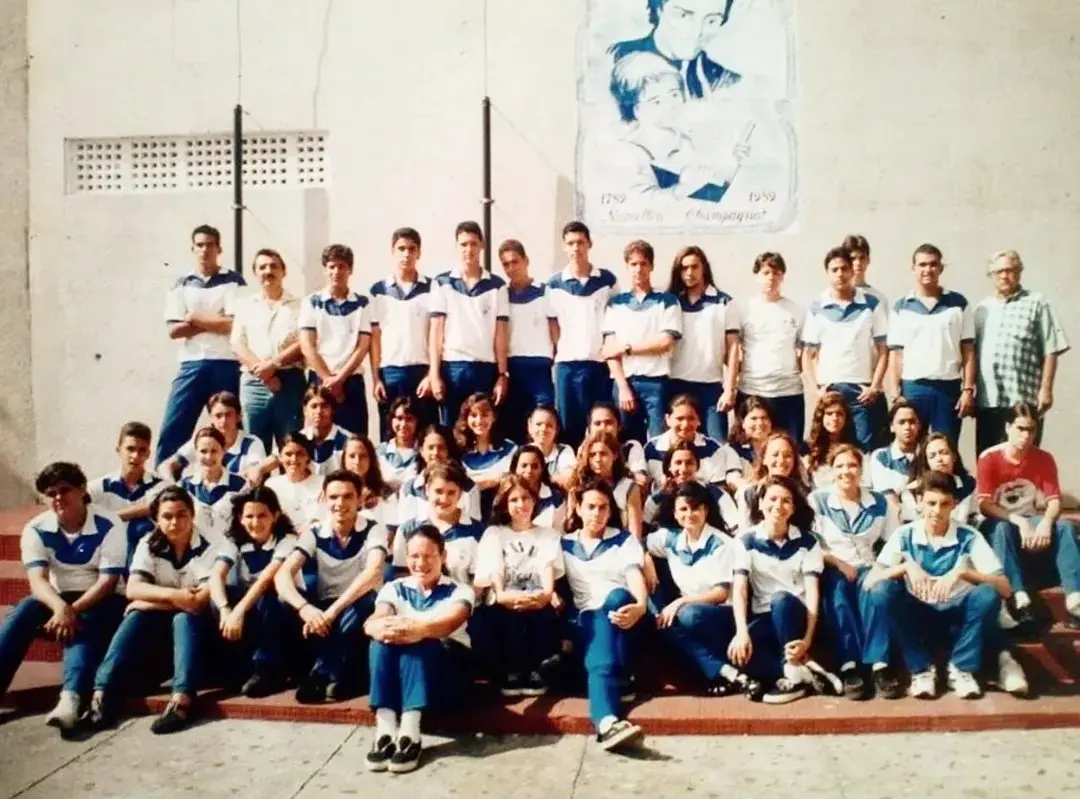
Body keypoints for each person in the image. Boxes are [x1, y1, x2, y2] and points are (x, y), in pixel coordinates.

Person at [0, 463, 127, 734]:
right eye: (50, 493)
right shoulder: (36, 528)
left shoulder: (109, 522)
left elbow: (108, 582)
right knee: (21, 613)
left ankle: (71, 699)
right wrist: (60, 608)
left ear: (82, 489)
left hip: (104, 598)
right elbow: (38, 581)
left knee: (83, 621)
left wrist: (71, 611)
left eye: (64, 490)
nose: (58, 498)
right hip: (58, 598)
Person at [864, 473, 1011, 699]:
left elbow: (1005, 588)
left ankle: (961, 668)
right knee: (883, 592)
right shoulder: (904, 535)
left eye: (944, 504)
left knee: (987, 594)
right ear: (920, 502)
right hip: (919, 617)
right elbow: (870, 583)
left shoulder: (969, 536)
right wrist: (905, 568)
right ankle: (921, 670)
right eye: (931, 503)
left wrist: (964, 572)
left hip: (956, 618)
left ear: (954, 504)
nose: (937, 511)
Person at [87, 486, 217, 735]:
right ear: (156, 519)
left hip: (202, 631)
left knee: (182, 617)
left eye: (182, 515)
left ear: (192, 515)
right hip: (162, 634)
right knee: (136, 615)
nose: (175, 522)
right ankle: (102, 692)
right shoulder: (148, 543)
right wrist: (173, 596)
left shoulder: (211, 545)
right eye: (167, 516)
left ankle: (182, 699)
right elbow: (133, 590)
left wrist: (151, 600)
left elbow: (197, 603)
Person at [364, 525, 475, 774]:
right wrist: (376, 628)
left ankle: (410, 733)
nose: (420, 563)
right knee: (381, 641)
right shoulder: (395, 587)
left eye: (428, 556)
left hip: (448, 674)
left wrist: (419, 630)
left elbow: (450, 622)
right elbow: (377, 618)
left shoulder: (459, 590)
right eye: (414, 556)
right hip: (406, 676)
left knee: (422, 639)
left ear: (443, 557)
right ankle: (385, 728)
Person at [274, 470, 389, 703]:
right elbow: (283, 575)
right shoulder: (315, 533)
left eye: (347, 497)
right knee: (284, 600)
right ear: (324, 499)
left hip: (357, 606)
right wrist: (305, 608)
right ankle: (339, 676)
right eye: (334, 497)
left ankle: (320, 673)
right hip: (325, 609)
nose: (340, 503)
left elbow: (373, 573)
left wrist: (331, 612)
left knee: (364, 601)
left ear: (359, 499)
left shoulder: (374, 528)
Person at [728, 475, 836, 704]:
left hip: (796, 616)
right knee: (739, 655)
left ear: (793, 507)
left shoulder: (808, 541)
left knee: (781, 600)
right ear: (760, 503)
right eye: (772, 499)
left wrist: (806, 639)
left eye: (786, 500)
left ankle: (794, 679)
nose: (778, 506)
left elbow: (812, 592)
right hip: (765, 617)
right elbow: (740, 589)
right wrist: (741, 632)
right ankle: (804, 672)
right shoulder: (745, 541)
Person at [646, 482, 758, 697]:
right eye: (683, 509)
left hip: (723, 614)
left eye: (695, 508)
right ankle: (726, 673)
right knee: (662, 621)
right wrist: (646, 559)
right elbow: (635, 544)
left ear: (706, 510)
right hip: (691, 613)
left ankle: (715, 673)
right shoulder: (670, 539)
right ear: (676, 513)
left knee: (688, 615)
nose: (690, 514)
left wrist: (679, 602)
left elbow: (720, 594)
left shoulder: (721, 543)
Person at [808, 446, 902, 700]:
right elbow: (811, 544)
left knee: (877, 589)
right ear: (831, 470)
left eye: (851, 465)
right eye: (839, 466)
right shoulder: (818, 500)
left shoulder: (879, 502)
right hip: (832, 565)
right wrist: (838, 562)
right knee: (837, 596)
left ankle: (879, 665)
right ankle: (849, 664)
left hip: (868, 565)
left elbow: (894, 543)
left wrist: (879, 570)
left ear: (861, 470)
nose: (845, 471)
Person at [560, 480, 647, 752]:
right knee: (598, 624)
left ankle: (606, 721)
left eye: (603, 508)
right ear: (578, 508)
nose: (596, 513)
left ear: (611, 511)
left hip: (625, 617)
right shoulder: (563, 543)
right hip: (585, 621)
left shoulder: (623, 540)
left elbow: (634, 575)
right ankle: (609, 714)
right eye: (590, 507)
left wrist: (642, 605)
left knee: (618, 597)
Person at [977, 403, 1080, 630]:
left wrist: (1046, 522)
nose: (1026, 435)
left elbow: (1054, 500)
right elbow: (985, 504)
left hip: (1030, 519)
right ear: (1007, 428)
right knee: (1003, 529)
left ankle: (1074, 599)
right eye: (1020, 428)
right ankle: (1019, 597)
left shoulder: (1043, 458)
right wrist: (1018, 521)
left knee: (1066, 527)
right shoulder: (990, 457)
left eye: (1031, 430)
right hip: (999, 522)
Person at [157, 224, 246, 466]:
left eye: (210, 245)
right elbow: (174, 330)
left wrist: (194, 318)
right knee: (174, 427)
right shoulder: (181, 283)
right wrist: (214, 320)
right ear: (192, 248)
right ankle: (162, 489)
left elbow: (234, 324)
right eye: (200, 245)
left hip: (227, 363)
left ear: (219, 248)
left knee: (230, 429)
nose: (205, 250)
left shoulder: (233, 280)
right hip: (192, 364)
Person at [974, 250, 1069, 455]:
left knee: (1024, 461)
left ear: (1019, 272)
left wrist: (1046, 388)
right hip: (989, 402)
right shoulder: (982, 309)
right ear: (991, 275)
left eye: (1010, 270)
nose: (1004, 276)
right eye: (998, 271)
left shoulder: (1036, 303)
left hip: (1023, 401)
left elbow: (1051, 348)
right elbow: (972, 353)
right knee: (989, 460)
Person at [474, 475, 563, 696]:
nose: (521, 504)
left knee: (543, 614)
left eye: (525, 498)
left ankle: (535, 670)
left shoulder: (547, 534)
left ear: (534, 500)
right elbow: (495, 570)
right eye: (514, 500)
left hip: (536, 595)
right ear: (505, 504)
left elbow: (547, 566)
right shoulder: (495, 533)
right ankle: (512, 671)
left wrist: (546, 593)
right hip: (503, 597)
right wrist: (504, 595)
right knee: (506, 616)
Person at [208, 487, 298, 697]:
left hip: (283, 613)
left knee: (266, 599)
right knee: (219, 598)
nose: (255, 523)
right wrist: (224, 609)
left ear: (275, 516)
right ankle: (239, 667)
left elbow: (267, 579)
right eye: (249, 516)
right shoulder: (233, 541)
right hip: (251, 610)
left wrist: (237, 611)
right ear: (240, 518)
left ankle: (268, 671)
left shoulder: (287, 540)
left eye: (262, 516)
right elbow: (216, 575)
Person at [801, 247, 888, 451]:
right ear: (827, 273)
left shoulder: (871, 304)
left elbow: (884, 350)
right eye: (834, 270)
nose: (839, 274)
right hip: (830, 390)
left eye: (844, 268)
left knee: (863, 448)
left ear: (852, 271)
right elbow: (807, 355)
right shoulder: (817, 307)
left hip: (861, 391)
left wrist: (875, 386)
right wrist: (816, 390)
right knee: (829, 448)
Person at [887, 243, 975, 444]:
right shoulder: (901, 307)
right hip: (913, 387)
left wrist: (968, 389)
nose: (928, 270)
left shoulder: (958, 303)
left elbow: (968, 350)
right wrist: (894, 392)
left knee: (945, 448)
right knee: (913, 448)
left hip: (948, 388)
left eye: (933, 264)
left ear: (941, 268)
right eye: (922, 265)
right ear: (913, 268)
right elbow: (896, 354)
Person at [428, 221, 510, 426]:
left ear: (481, 246)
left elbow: (500, 334)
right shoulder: (442, 282)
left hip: (485, 368)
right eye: (463, 244)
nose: (469, 250)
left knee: (483, 429)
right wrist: (434, 374)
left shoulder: (497, 285)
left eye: (473, 244)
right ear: (456, 247)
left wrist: (502, 374)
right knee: (452, 428)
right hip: (452, 368)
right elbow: (436, 332)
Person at [602, 239, 682, 442]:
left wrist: (627, 348)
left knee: (660, 441)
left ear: (651, 266)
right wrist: (622, 387)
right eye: (633, 264)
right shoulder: (616, 303)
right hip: (625, 382)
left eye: (643, 263)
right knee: (627, 442)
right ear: (627, 267)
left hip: (656, 383)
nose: (639, 269)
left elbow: (665, 343)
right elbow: (610, 351)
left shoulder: (667, 301)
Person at [548, 222, 619, 448]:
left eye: (580, 242)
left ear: (589, 244)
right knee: (569, 427)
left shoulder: (607, 280)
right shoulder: (554, 283)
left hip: (598, 365)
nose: (575, 248)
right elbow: (553, 326)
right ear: (564, 247)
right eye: (570, 243)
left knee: (600, 427)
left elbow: (615, 322)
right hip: (567, 367)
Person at [229, 248, 305, 452]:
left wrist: (274, 364)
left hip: (289, 382)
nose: (268, 271)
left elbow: (304, 342)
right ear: (255, 273)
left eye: (273, 266)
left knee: (290, 447)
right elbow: (237, 343)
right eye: (262, 267)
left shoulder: (300, 305)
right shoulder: (245, 305)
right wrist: (264, 373)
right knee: (254, 448)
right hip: (254, 385)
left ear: (284, 271)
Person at [667, 246, 741, 441]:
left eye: (694, 267)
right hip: (676, 384)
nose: (689, 273)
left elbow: (733, 348)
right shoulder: (672, 302)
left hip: (711, 388)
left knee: (717, 445)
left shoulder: (724, 302)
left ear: (704, 268)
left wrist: (730, 388)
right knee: (679, 447)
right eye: (683, 268)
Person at [299, 244, 372, 437]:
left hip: (351, 381)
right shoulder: (311, 302)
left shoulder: (362, 303)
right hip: (319, 381)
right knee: (317, 437)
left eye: (342, 266)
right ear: (325, 269)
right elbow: (307, 345)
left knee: (354, 439)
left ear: (350, 270)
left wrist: (340, 380)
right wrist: (328, 381)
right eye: (332, 267)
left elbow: (363, 345)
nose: (336, 272)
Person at [369, 227, 437, 439]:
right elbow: (375, 338)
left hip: (421, 374)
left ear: (419, 252)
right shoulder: (378, 290)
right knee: (391, 435)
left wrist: (431, 375)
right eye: (401, 249)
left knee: (424, 435)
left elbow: (437, 334)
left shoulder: (433, 287)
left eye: (411, 249)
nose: (406, 254)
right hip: (390, 373)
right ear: (393, 251)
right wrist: (376, 379)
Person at [609, 0, 740, 100]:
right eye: (683, 15)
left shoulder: (724, 81)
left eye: (712, 21)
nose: (697, 32)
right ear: (660, 8)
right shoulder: (615, 58)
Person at [738, 253, 807, 442]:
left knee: (789, 448)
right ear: (756, 276)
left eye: (776, 273)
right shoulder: (744, 309)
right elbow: (732, 349)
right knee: (751, 448)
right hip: (752, 390)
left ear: (783, 276)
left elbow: (806, 354)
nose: (771, 277)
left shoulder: (798, 311)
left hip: (788, 392)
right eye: (766, 272)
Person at [498, 239, 558, 443]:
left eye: (515, 262)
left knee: (544, 421)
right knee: (516, 426)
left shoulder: (545, 291)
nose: (511, 268)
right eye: (506, 264)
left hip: (540, 368)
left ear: (526, 261)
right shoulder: (502, 294)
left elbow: (554, 331)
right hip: (514, 368)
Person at [393, 463, 485, 585]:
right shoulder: (407, 530)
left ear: (460, 494)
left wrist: (464, 601)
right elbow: (401, 573)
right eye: (438, 491)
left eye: (451, 492)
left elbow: (480, 580)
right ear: (427, 490)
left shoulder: (478, 532)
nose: (444, 499)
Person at [88, 422, 165, 559]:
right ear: (118, 450)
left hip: (146, 559)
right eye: (130, 449)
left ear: (148, 453)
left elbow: (155, 507)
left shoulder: (160, 485)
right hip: (106, 556)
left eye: (142, 450)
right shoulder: (99, 487)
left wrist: (106, 518)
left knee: (141, 527)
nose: (135, 456)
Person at [159, 391, 266, 485]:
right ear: (211, 418)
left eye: (228, 415)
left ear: (238, 417)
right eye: (218, 416)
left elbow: (254, 475)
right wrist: (172, 486)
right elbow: (167, 465)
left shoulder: (251, 443)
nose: (223, 421)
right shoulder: (203, 439)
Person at [395, 425, 482, 527]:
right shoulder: (409, 488)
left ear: (449, 450)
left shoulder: (468, 487)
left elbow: (473, 527)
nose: (435, 453)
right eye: (430, 447)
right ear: (421, 451)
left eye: (441, 447)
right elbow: (405, 529)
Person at [177, 426, 248, 548]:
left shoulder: (240, 485)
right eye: (203, 451)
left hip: (231, 552)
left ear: (224, 450)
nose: (208, 457)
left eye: (214, 451)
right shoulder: (185, 486)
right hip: (195, 554)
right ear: (196, 452)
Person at [643, 442, 738, 532]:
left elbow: (735, 526)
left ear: (697, 466)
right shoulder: (658, 497)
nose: (683, 469)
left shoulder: (715, 493)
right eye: (678, 463)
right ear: (669, 466)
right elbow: (643, 527)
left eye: (689, 463)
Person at [454, 392, 518, 521]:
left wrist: (475, 483)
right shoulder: (458, 452)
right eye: (473, 415)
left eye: (485, 415)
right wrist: (492, 481)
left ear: (493, 417)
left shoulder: (510, 449)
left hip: (500, 516)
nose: (479, 421)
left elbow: (511, 481)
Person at [569, 431, 645, 538]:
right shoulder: (579, 486)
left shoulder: (628, 487)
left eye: (603, 454)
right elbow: (571, 524)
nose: (598, 459)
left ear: (615, 455)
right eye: (592, 455)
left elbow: (635, 531)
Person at [644, 393, 730, 486]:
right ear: (668, 419)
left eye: (691, 418)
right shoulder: (652, 448)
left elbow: (718, 489)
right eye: (679, 419)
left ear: (699, 420)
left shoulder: (714, 449)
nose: (685, 425)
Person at [901, 432, 976, 525]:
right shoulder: (912, 490)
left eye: (944, 453)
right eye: (932, 456)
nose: (939, 459)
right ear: (926, 462)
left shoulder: (968, 485)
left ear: (954, 456)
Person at [263, 432, 324, 531]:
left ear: (308, 457)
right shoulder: (271, 485)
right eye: (288, 454)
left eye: (299, 454)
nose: (294, 459)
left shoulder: (323, 483)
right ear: (280, 457)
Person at [342, 434, 399, 536]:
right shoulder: (333, 490)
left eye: (363, 456)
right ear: (344, 459)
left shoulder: (385, 493)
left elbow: (391, 529)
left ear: (371, 460)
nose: (357, 461)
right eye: (352, 456)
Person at [803, 391, 860, 490]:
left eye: (839, 414)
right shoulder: (808, 449)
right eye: (829, 413)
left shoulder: (857, 447)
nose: (835, 418)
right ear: (821, 417)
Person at [586, 402, 651, 488]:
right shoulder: (584, 450)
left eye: (608, 422)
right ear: (589, 429)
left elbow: (641, 479)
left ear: (619, 426)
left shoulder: (630, 447)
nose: (603, 428)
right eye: (597, 423)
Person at [510, 445, 568, 531]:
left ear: (542, 469)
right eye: (524, 465)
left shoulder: (556, 498)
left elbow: (559, 532)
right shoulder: (506, 496)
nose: (529, 470)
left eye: (534, 466)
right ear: (515, 469)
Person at [723, 396, 776, 489]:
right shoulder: (733, 449)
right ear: (743, 422)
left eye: (764, 418)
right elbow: (732, 479)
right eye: (754, 418)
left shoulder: (780, 445)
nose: (760, 423)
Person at [376, 396, 421, 492]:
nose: (403, 424)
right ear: (391, 420)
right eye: (399, 418)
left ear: (417, 422)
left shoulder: (423, 452)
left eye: (409, 419)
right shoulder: (380, 452)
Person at [527, 405, 576, 489]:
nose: (543, 429)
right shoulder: (521, 453)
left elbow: (569, 480)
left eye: (549, 425)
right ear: (530, 426)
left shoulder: (564, 451)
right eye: (538, 424)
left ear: (556, 430)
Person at [842, 234, 888, 307]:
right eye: (853, 258)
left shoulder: (879, 299)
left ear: (868, 260)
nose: (858, 263)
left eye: (862, 258)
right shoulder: (834, 296)